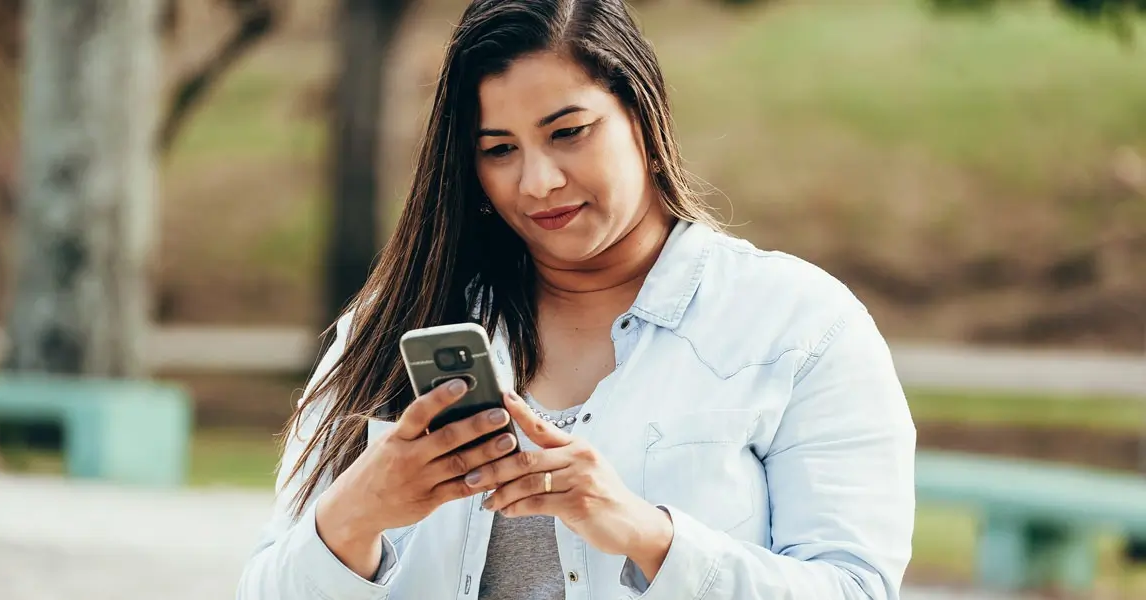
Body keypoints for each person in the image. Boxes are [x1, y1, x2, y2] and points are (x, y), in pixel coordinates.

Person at [237, 0, 916, 598]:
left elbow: (854, 587)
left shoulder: (801, 327)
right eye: (499, 149)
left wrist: (648, 535)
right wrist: (357, 513)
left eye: (568, 132)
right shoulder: (391, 329)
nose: (537, 181)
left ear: (642, 117)